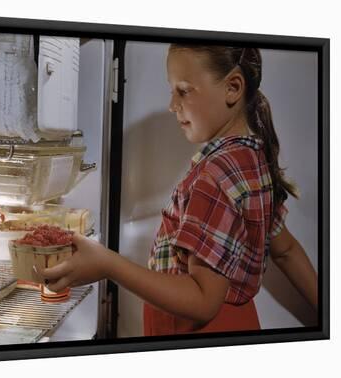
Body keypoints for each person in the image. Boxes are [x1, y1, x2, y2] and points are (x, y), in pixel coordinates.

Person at [36, 45, 318, 335]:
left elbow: (202, 301)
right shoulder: (249, 159)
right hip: (239, 324)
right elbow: (286, 250)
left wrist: (108, 264)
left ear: (233, 88)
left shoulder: (215, 176)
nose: (172, 104)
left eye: (183, 91)